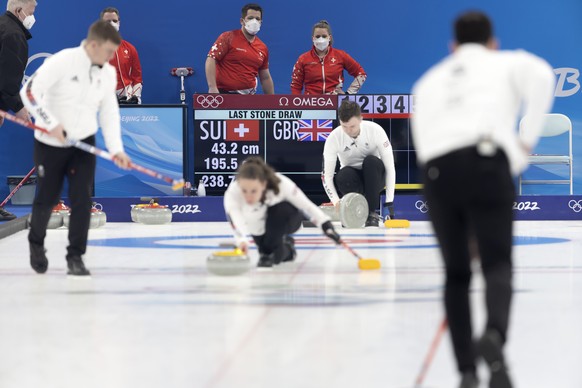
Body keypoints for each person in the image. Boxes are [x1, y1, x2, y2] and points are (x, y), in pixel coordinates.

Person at [411, 11, 555, 388]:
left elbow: (421, 134)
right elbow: (543, 76)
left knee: (456, 275)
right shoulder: (506, 62)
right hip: (486, 161)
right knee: (496, 263)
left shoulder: (430, 80)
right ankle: (493, 335)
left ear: (452, 47)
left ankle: (466, 372)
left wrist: (437, 176)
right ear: (493, 43)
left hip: (438, 171)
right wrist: (525, 144)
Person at [20, 20, 131, 276]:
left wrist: (116, 149)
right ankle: (36, 244)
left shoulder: (107, 72)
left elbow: (109, 113)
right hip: (51, 142)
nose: (111, 57)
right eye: (108, 51)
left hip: (83, 142)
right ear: (93, 44)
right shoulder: (62, 61)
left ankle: (75, 257)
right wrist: (50, 123)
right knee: (47, 198)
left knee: (82, 199)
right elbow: (30, 92)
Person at [224, 156, 341, 269]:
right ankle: (288, 249)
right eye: (244, 191)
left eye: (253, 191)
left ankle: (275, 242)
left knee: (278, 214)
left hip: (286, 217)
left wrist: (325, 224)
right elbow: (235, 219)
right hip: (257, 221)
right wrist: (242, 240)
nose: (248, 197)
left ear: (263, 184)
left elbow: (306, 206)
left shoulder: (281, 183)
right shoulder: (232, 193)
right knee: (274, 256)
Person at [322, 100, 396, 227]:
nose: (348, 131)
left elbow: (390, 168)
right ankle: (353, 212)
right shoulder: (333, 138)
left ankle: (372, 213)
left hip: (375, 177)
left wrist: (389, 202)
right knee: (343, 174)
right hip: (354, 181)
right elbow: (326, 176)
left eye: (352, 126)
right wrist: (335, 201)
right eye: (344, 126)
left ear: (361, 119)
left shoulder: (375, 130)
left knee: (371, 161)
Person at [0, 0, 36, 221]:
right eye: (32, 11)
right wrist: (20, 108)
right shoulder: (13, 34)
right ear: (19, 10)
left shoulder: (4, 26)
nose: (33, 17)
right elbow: (7, 80)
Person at [205, 3, 274, 95]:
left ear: (261, 22)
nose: (254, 21)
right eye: (250, 18)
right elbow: (211, 59)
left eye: (257, 19)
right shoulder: (228, 37)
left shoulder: (263, 47)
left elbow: (265, 77)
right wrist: (212, 87)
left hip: (249, 97)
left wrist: (272, 102)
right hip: (224, 94)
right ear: (242, 21)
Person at [290, 20, 366, 95]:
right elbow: (296, 86)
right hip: (311, 103)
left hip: (334, 101)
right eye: (317, 36)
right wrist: (297, 104)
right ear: (313, 38)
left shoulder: (340, 55)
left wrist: (348, 93)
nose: (321, 39)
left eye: (324, 36)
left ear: (329, 38)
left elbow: (361, 74)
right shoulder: (303, 59)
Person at [100, 7, 143, 104]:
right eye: (108, 21)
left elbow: (137, 77)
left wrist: (136, 97)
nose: (112, 24)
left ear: (119, 23)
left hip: (126, 97)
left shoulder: (130, 48)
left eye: (114, 21)